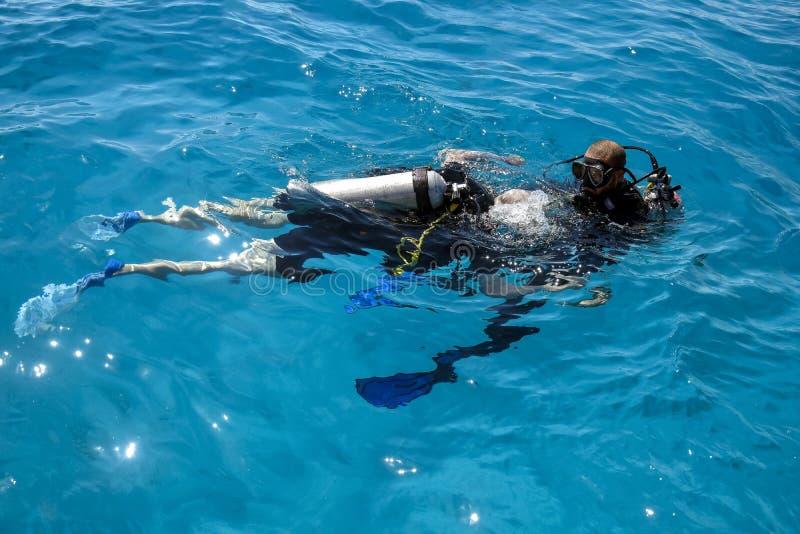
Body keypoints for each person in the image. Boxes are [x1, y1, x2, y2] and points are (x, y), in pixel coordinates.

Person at [15, 140, 681, 406]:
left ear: (616, 178)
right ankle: (138, 250)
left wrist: (489, 168)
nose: (583, 181)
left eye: (595, 175)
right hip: (447, 232)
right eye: (580, 171)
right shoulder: (565, 207)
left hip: (429, 216)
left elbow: (455, 158)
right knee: (508, 313)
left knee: (295, 231)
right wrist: (571, 289)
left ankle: (142, 236)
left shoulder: (619, 212)